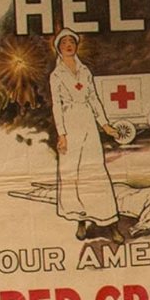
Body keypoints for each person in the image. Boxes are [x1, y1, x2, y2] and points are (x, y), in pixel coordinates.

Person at [47, 30, 123, 242]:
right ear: (59, 47)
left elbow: (93, 98)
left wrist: (105, 125)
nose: (69, 45)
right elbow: (56, 106)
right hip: (70, 125)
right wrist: (62, 134)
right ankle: (80, 220)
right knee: (73, 173)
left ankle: (110, 223)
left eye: (72, 41)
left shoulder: (85, 71)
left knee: (95, 170)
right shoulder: (56, 75)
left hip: (88, 122)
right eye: (65, 42)